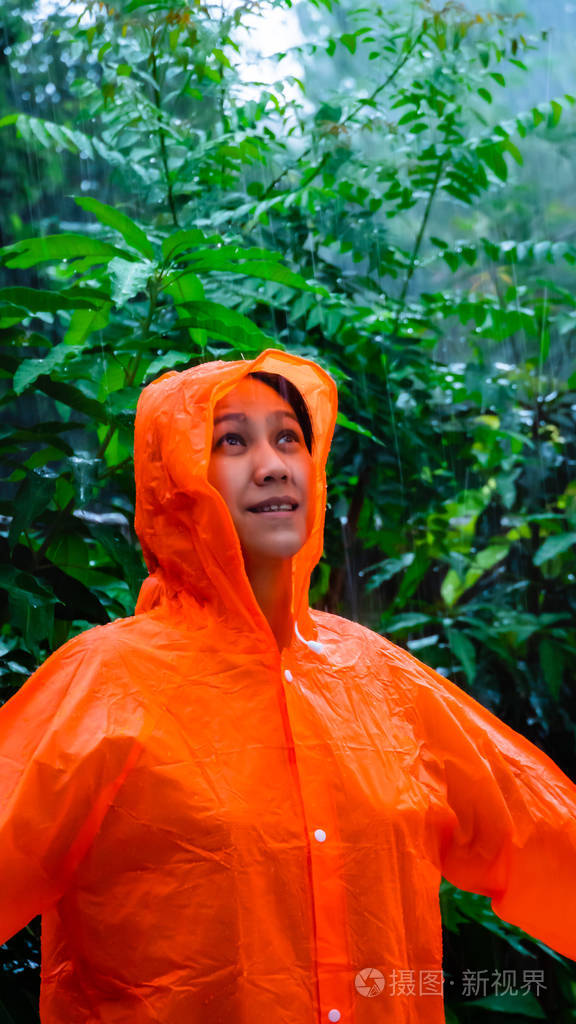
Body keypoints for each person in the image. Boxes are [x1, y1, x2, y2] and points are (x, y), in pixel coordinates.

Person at [0, 348, 575, 1024]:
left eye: (289, 438)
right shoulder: (102, 685)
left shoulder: (381, 681)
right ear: (174, 480)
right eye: (231, 442)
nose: (272, 464)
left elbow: (540, 827)